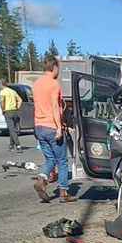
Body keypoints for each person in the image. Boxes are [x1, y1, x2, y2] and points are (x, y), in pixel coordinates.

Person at [32, 55, 76, 203]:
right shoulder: (53, 84)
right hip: (51, 126)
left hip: (39, 126)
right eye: (58, 68)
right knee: (62, 161)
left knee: (50, 158)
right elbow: (55, 107)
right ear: (54, 67)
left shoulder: (36, 84)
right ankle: (63, 192)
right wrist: (59, 127)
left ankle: (42, 178)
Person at [0, 79, 22, 153]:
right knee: (11, 128)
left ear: (1, 84)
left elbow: (2, 100)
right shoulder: (12, 91)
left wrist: (2, 109)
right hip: (14, 111)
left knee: (11, 129)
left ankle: (18, 145)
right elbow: (20, 100)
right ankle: (11, 144)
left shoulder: (3, 91)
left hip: (7, 111)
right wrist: (17, 107)